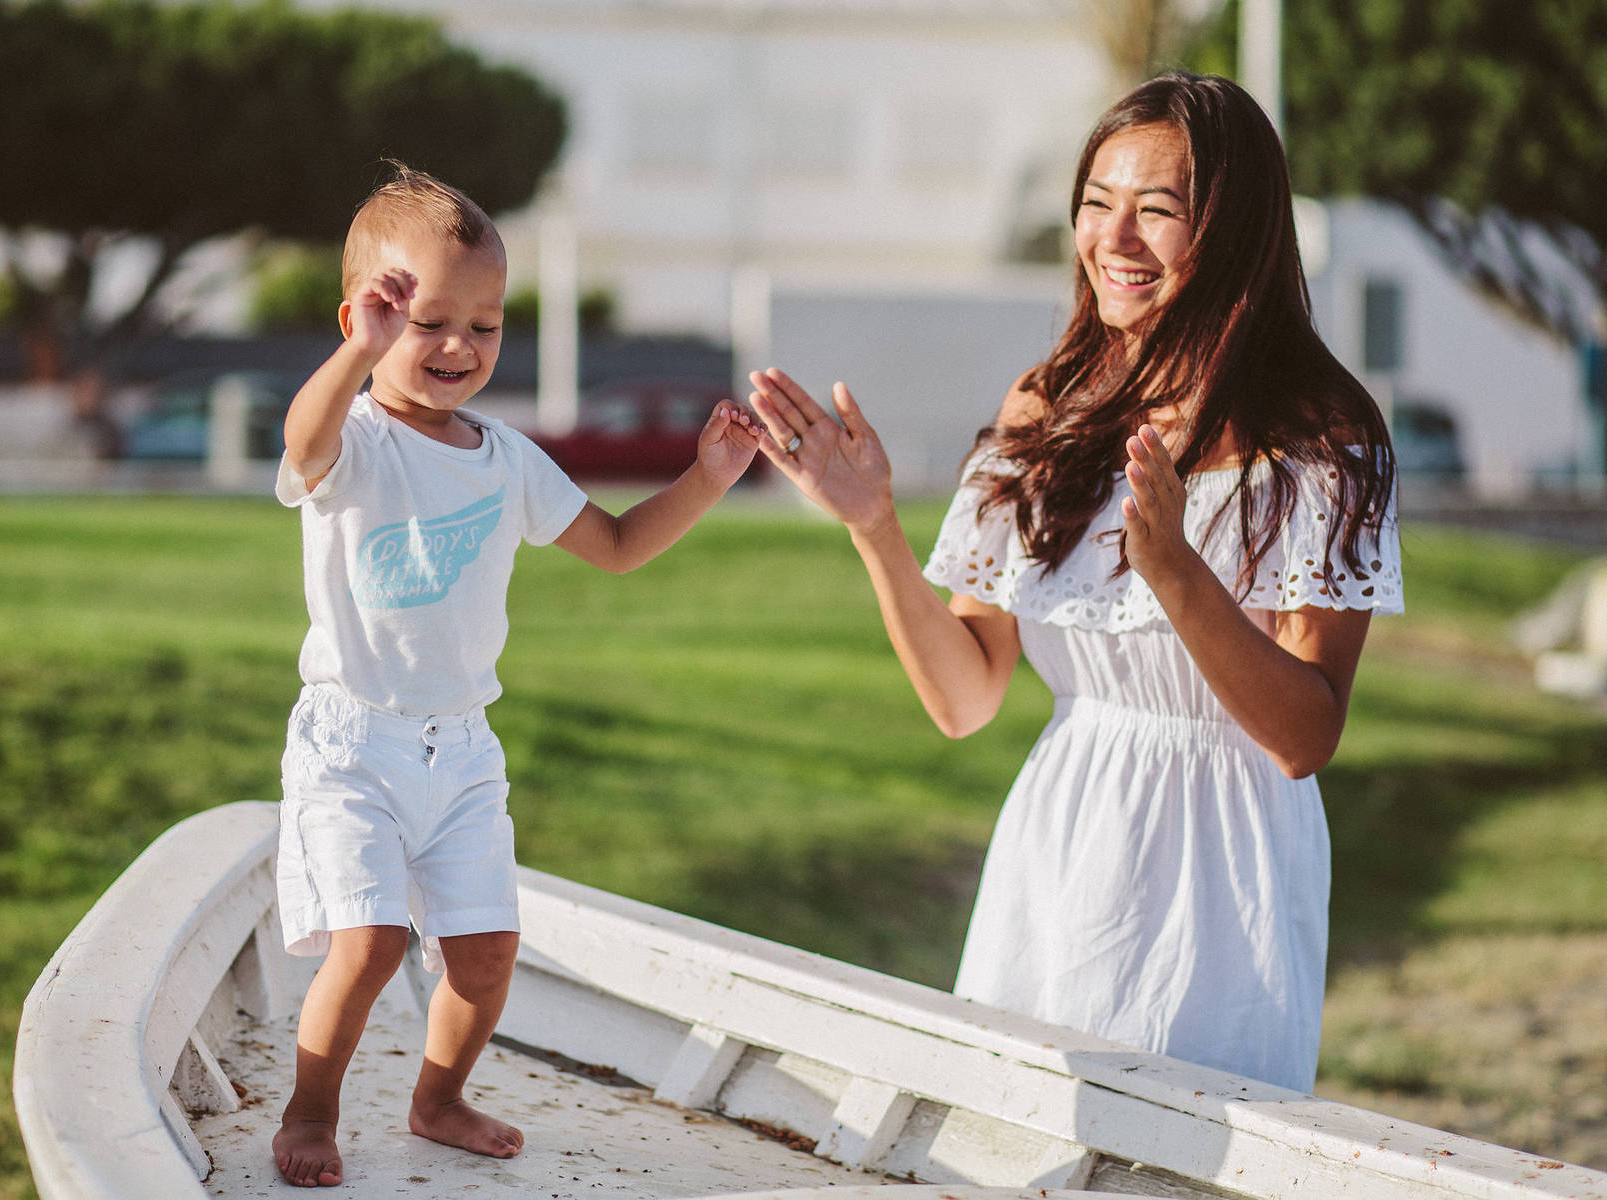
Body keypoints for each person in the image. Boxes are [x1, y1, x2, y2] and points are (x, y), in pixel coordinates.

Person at [746, 72, 1401, 1094]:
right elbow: (965, 699)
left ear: (1234, 230)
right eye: (1097, 204)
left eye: (1158, 211)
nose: (1115, 239)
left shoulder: (1322, 439)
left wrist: (1178, 571)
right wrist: (874, 526)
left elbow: (1304, 736)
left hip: (1224, 884)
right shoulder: (1044, 409)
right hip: (1059, 849)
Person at [270, 162, 759, 1188]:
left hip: (461, 749)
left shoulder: (506, 460)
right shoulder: (354, 444)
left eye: (484, 326)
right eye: (427, 320)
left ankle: (438, 1098)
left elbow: (620, 545)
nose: (458, 347)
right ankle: (310, 1115)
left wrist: (708, 480)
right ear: (362, 316)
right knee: (363, 946)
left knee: (486, 952)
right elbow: (300, 442)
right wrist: (354, 356)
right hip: (355, 742)